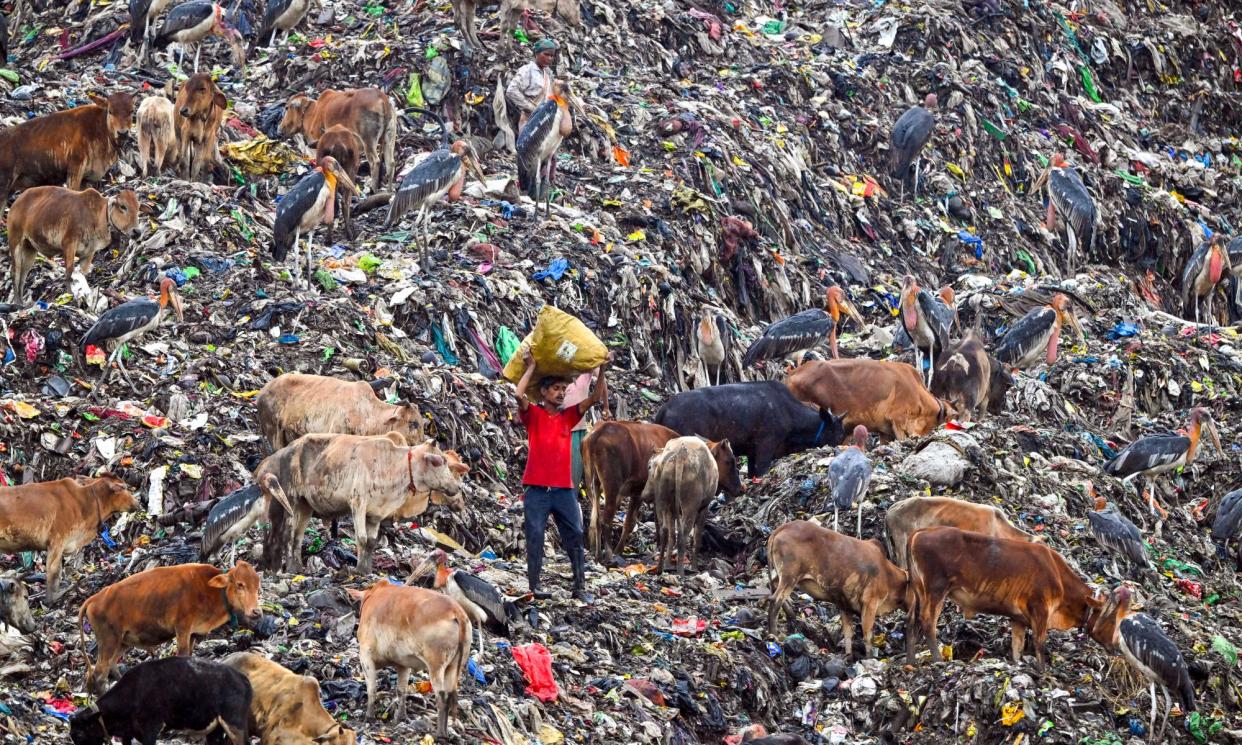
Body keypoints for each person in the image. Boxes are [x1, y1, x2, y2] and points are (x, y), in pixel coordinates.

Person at [515, 349, 609, 601]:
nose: (561, 392)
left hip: (564, 489)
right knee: (535, 537)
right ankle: (534, 586)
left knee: (575, 536)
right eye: (555, 388)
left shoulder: (569, 417)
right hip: (536, 489)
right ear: (544, 393)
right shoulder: (533, 415)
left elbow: (596, 397)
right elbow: (518, 393)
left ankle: (580, 587)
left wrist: (602, 369)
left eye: (563, 388)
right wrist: (531, 367)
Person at [506, 38, 557, 131]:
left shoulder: (547, 73)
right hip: (528, 120)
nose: (549, 58)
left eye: (552, 55)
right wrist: (531, 108)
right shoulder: (527, 70)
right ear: (536, 53)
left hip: (542, 120)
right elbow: (511, 91)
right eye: (546, 54)